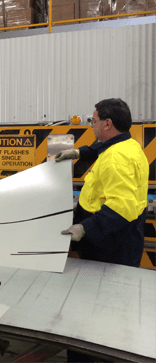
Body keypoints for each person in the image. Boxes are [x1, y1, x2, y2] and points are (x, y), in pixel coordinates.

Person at [55, 99, 149, 362]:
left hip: (109, 242)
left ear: (107, 123)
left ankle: (89, 354)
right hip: (121, 235)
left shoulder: (117, 159)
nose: (92, 125)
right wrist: (80, 153)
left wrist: (85, 228)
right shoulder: (127, 145)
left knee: (94, 309)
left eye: (93, 121)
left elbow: (121, 207)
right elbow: (101, 148)